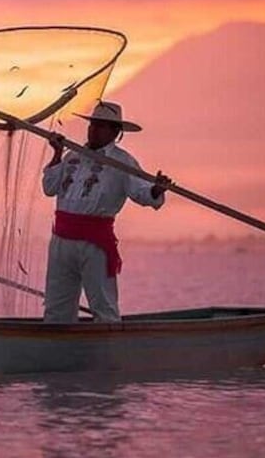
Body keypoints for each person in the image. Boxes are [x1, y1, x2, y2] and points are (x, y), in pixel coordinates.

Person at [42, 101, 172, 323]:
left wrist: (156, 189)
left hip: (95, 244)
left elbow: (142, 192)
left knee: (103, 306)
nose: (94, 130)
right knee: (56, 306)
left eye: (101, 126)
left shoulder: (123, 162)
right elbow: (49, 188)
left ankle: (108, 352)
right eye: (93, 124)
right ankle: (58, 351)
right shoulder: (72, 155)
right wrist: (57, 153)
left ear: (115, 132)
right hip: (61, 241)